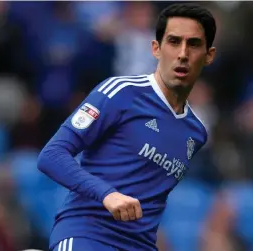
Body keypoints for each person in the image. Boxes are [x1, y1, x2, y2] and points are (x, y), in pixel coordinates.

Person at [37, 3, 216, 251]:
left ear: (209, 55)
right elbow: (51, 155)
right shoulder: (120, 93)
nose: (183, 54)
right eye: (174, 42)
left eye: (193, 44)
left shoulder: (196, 132)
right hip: (87, 236)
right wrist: (107, 194)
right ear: (156, 48)